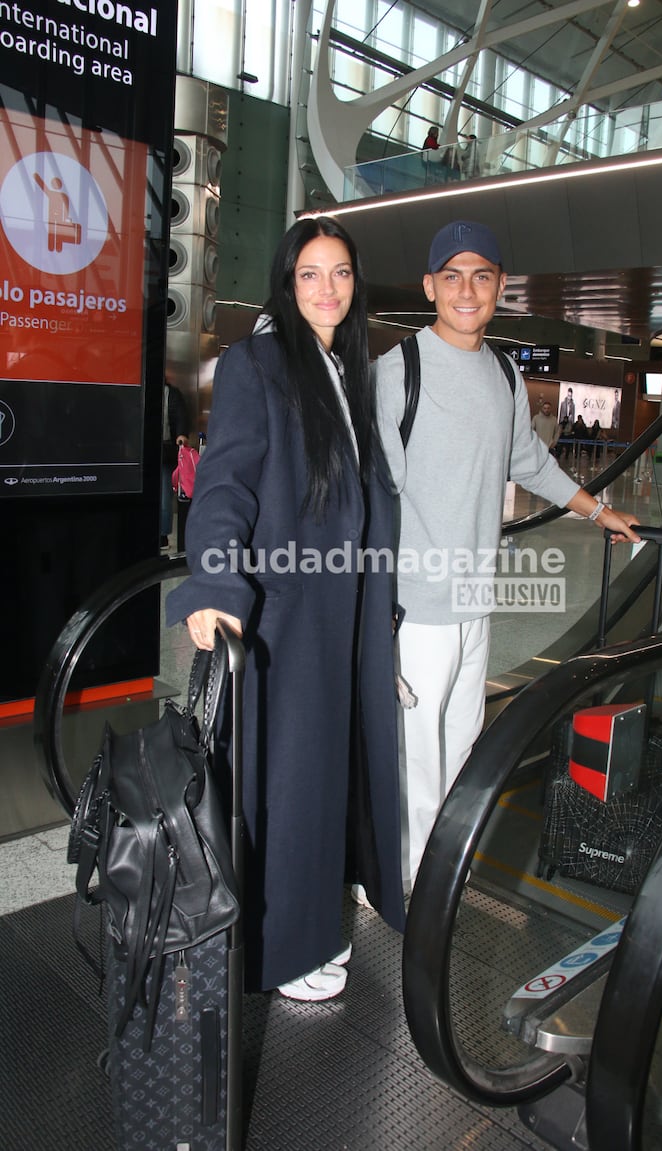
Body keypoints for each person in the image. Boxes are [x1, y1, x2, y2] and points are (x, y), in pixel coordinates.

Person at [166, 216, 406, 1001]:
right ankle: (281, 949)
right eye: (309, 273)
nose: (327, 289)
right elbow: (225, 482)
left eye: (340, 273)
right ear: (285, 281)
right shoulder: (257, 362)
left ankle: (311, 922)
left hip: (339, 616)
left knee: (322, 778)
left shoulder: (342, 367)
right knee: (289, 783)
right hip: (288, 616)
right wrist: (213, 583)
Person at [374, 219, 640, 892]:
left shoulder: (500, 371)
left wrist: (600, 511)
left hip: (474, 601)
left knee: (460, 744)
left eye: (482, 276)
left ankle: (431, 872)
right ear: (430, 285)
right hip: (415, 606)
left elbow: (529, 461)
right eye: (453, 275)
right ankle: (401, 885)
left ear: (498, 289)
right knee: (415, 756)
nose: (467, 290)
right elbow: (367, 494)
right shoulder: (395, 371)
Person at [160, 380, 189, 548]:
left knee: (165, 495)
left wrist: (181, 434)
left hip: (166, 449)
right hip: (144, 450)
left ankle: (163, 535)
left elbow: (180, 416)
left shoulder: (172, 393)